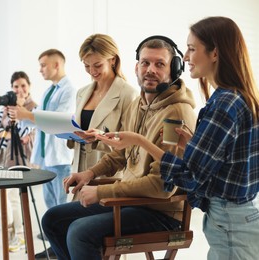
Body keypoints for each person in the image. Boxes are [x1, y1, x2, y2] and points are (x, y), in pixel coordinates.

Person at [100, 17, 259, 260]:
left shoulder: (224, 104)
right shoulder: (235, 98)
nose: (185, 57)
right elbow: (220, 166)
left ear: (214, 53)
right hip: (235, 217)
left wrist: (138, 140)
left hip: (230, 222)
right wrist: (193, 148)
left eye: (192, 49)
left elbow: (189, 177)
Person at [40, 36, 197, 259]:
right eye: (145, 63)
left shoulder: (176, 116)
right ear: (136, 66)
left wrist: (101, 191)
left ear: (174, 69)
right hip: (133, 203)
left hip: (161, 212)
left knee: (79, 232)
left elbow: (161, 186)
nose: (150, 69)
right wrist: (90, 173)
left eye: (159, 64)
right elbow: (121, 154)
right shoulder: (139, 105)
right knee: (53, 219)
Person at [8, 49, 76, 257]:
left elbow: (58, 120)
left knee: (61, 207)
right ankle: (56, 247)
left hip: (60, 158)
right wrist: (21, 114)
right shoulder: (49, 91)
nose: (40, 70)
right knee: (50, 204)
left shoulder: (69, 90)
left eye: (43, 65)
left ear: (57, 65)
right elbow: (37, 119)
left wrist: (26, 113)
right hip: (46, 156)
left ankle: (62, 250)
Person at [68, 34, 138, 186]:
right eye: (87, 65)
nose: (92, 71)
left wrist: (101, 137)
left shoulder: (128, 94)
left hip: (108, 177)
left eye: (97, 65)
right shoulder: (82, 93)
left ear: (112, 59)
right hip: (78, 170)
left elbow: (131, 144)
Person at [0, 71, 37, 252]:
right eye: (16, 86)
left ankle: (18, 235)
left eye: (23, 85)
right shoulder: (5, 107)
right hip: (3, 158)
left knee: (12, 197)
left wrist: (11, 128)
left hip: (21, 158)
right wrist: (9, 133)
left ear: (29, 86)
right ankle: (12, 230)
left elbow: (27, 135)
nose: (19, 89)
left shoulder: (33, 108)